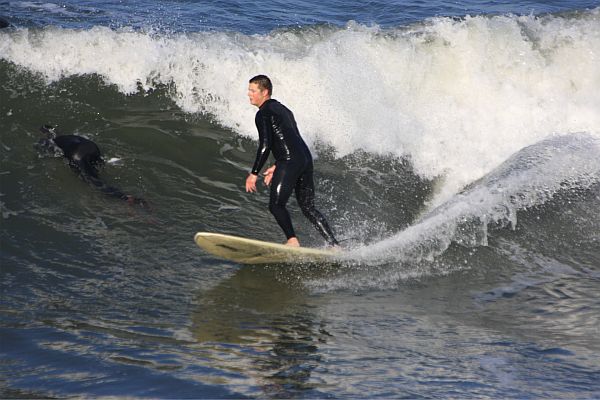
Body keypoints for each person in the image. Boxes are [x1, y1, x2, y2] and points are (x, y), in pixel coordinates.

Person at [245, 75, 338, 247]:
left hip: (290, 161)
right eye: (249, 90)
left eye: (252, 90)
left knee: (276, 205)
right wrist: (276, 165)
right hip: (304, 159)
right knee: (308, 208)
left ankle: (292, 240)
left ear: (264, 92)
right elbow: (291, 139)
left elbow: (266, 145)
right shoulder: (284, 110)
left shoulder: (263, 113)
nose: (248, 94)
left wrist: (254, 173)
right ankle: (335, 245)